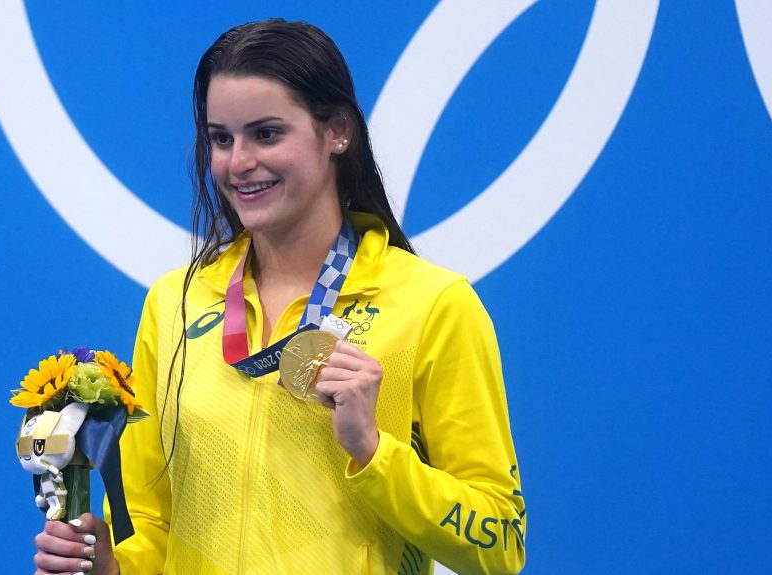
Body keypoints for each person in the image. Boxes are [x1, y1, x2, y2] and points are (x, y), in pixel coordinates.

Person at [33, 19, 525, 575]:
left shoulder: (435, 305)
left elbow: (500, 546)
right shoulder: (175, 302)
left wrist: (373, 450)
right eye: (221, 138)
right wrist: (110, 566)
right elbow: (152, 521)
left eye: (266, 134)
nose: (238, 162)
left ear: (338, 130)